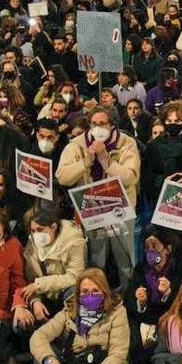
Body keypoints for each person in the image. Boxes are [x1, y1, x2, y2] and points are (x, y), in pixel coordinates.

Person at [56, 108, 140, 290]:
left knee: (125, 261)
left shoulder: (126, 143)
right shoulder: (76, 145)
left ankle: (128, 297)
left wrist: (104, 159)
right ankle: (97, 296)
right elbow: (62, 176)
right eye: (94, 124)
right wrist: (85, 163)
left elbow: (130, 177)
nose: (98, 128)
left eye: (102, 124)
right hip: (92, 211)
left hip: (120, 211)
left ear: (111, 125)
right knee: (96, 260)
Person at [29, 267, 131, 364]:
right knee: (43, 356)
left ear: (104, 291)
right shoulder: (70, 310)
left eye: (95, 291)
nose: (90, 296)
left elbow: (118, 355)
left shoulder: (117, 312)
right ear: (78, 294)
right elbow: (38, 336)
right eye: (85, 292)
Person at [13, 206, 87, 325]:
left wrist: (39, 285)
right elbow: (29, 280)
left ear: (53, 227)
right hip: (43, 296)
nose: (36, 234)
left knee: (75, 293)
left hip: (64, 291)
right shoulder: (32, 243)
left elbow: (74, 277)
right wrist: (35, 301)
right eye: (33, 230)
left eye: (40, 229)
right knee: (21, 323)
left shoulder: (73, 240)